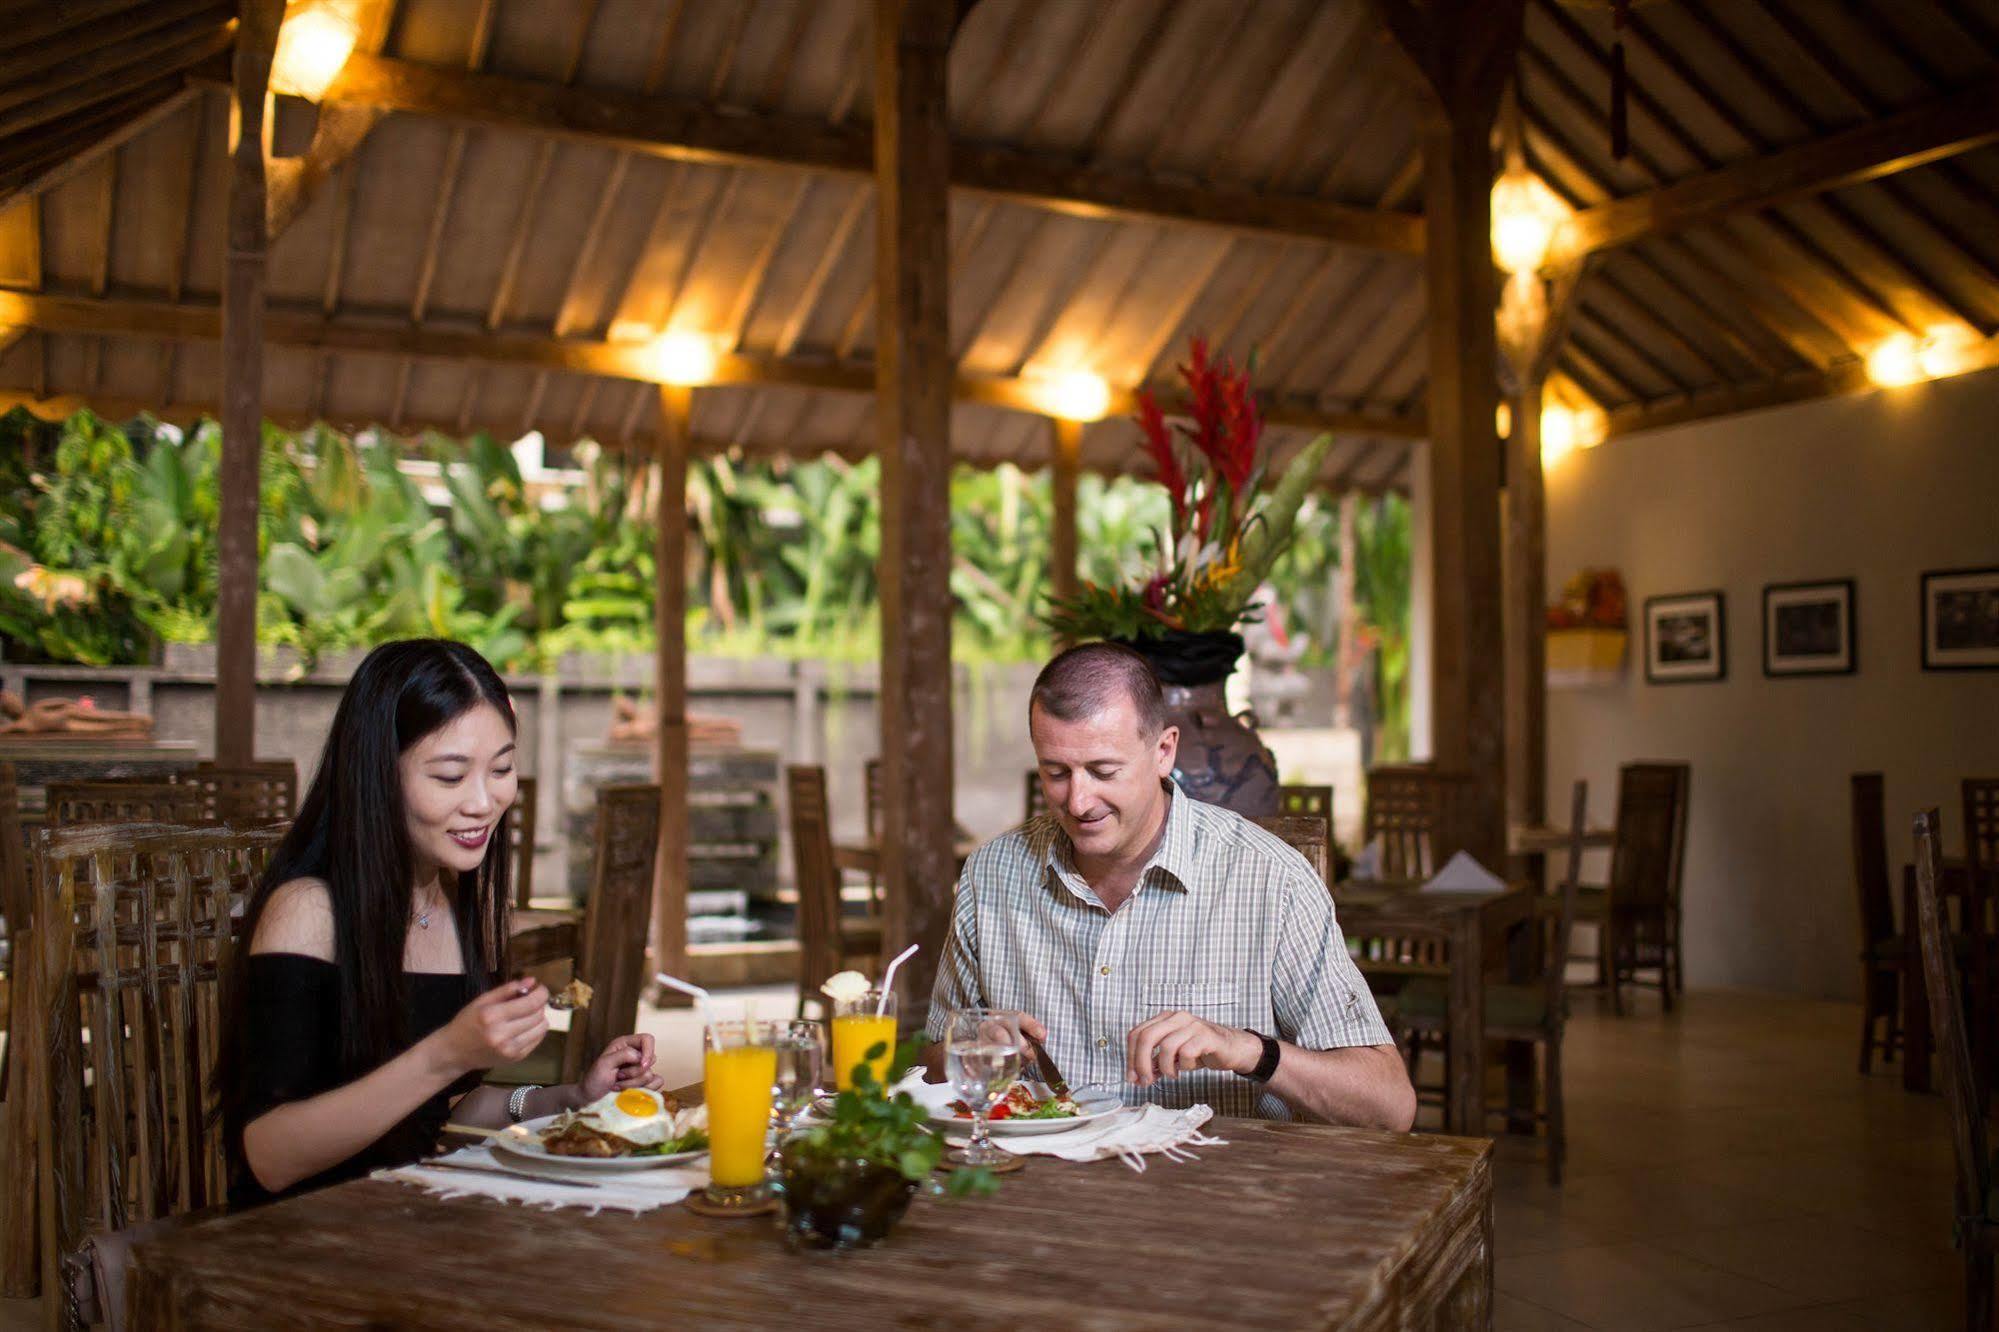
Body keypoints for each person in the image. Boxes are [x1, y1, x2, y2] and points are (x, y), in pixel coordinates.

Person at [216, 639, 664, 1205]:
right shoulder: (307, 912)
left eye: (501, 769)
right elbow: (269, 1155)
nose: (484, 802)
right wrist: (447, 1052)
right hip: (306, 1237)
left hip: (409, 1218)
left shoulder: (452, 907)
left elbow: (441, 1114)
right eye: (450, 777)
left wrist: (571, 1097)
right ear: (378, 775)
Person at [927, 641, 1414, 1129]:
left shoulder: (1270, 879)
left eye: (1103, 771)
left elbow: (1389, 1107)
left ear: (1164, 751)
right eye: (1056, 773)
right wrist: (972, 1048)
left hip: (1214, 1191)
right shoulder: (991, 874)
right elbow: (931, 1064)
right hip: (1037, 1189)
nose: (1078, 802)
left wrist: (1247, 1050)